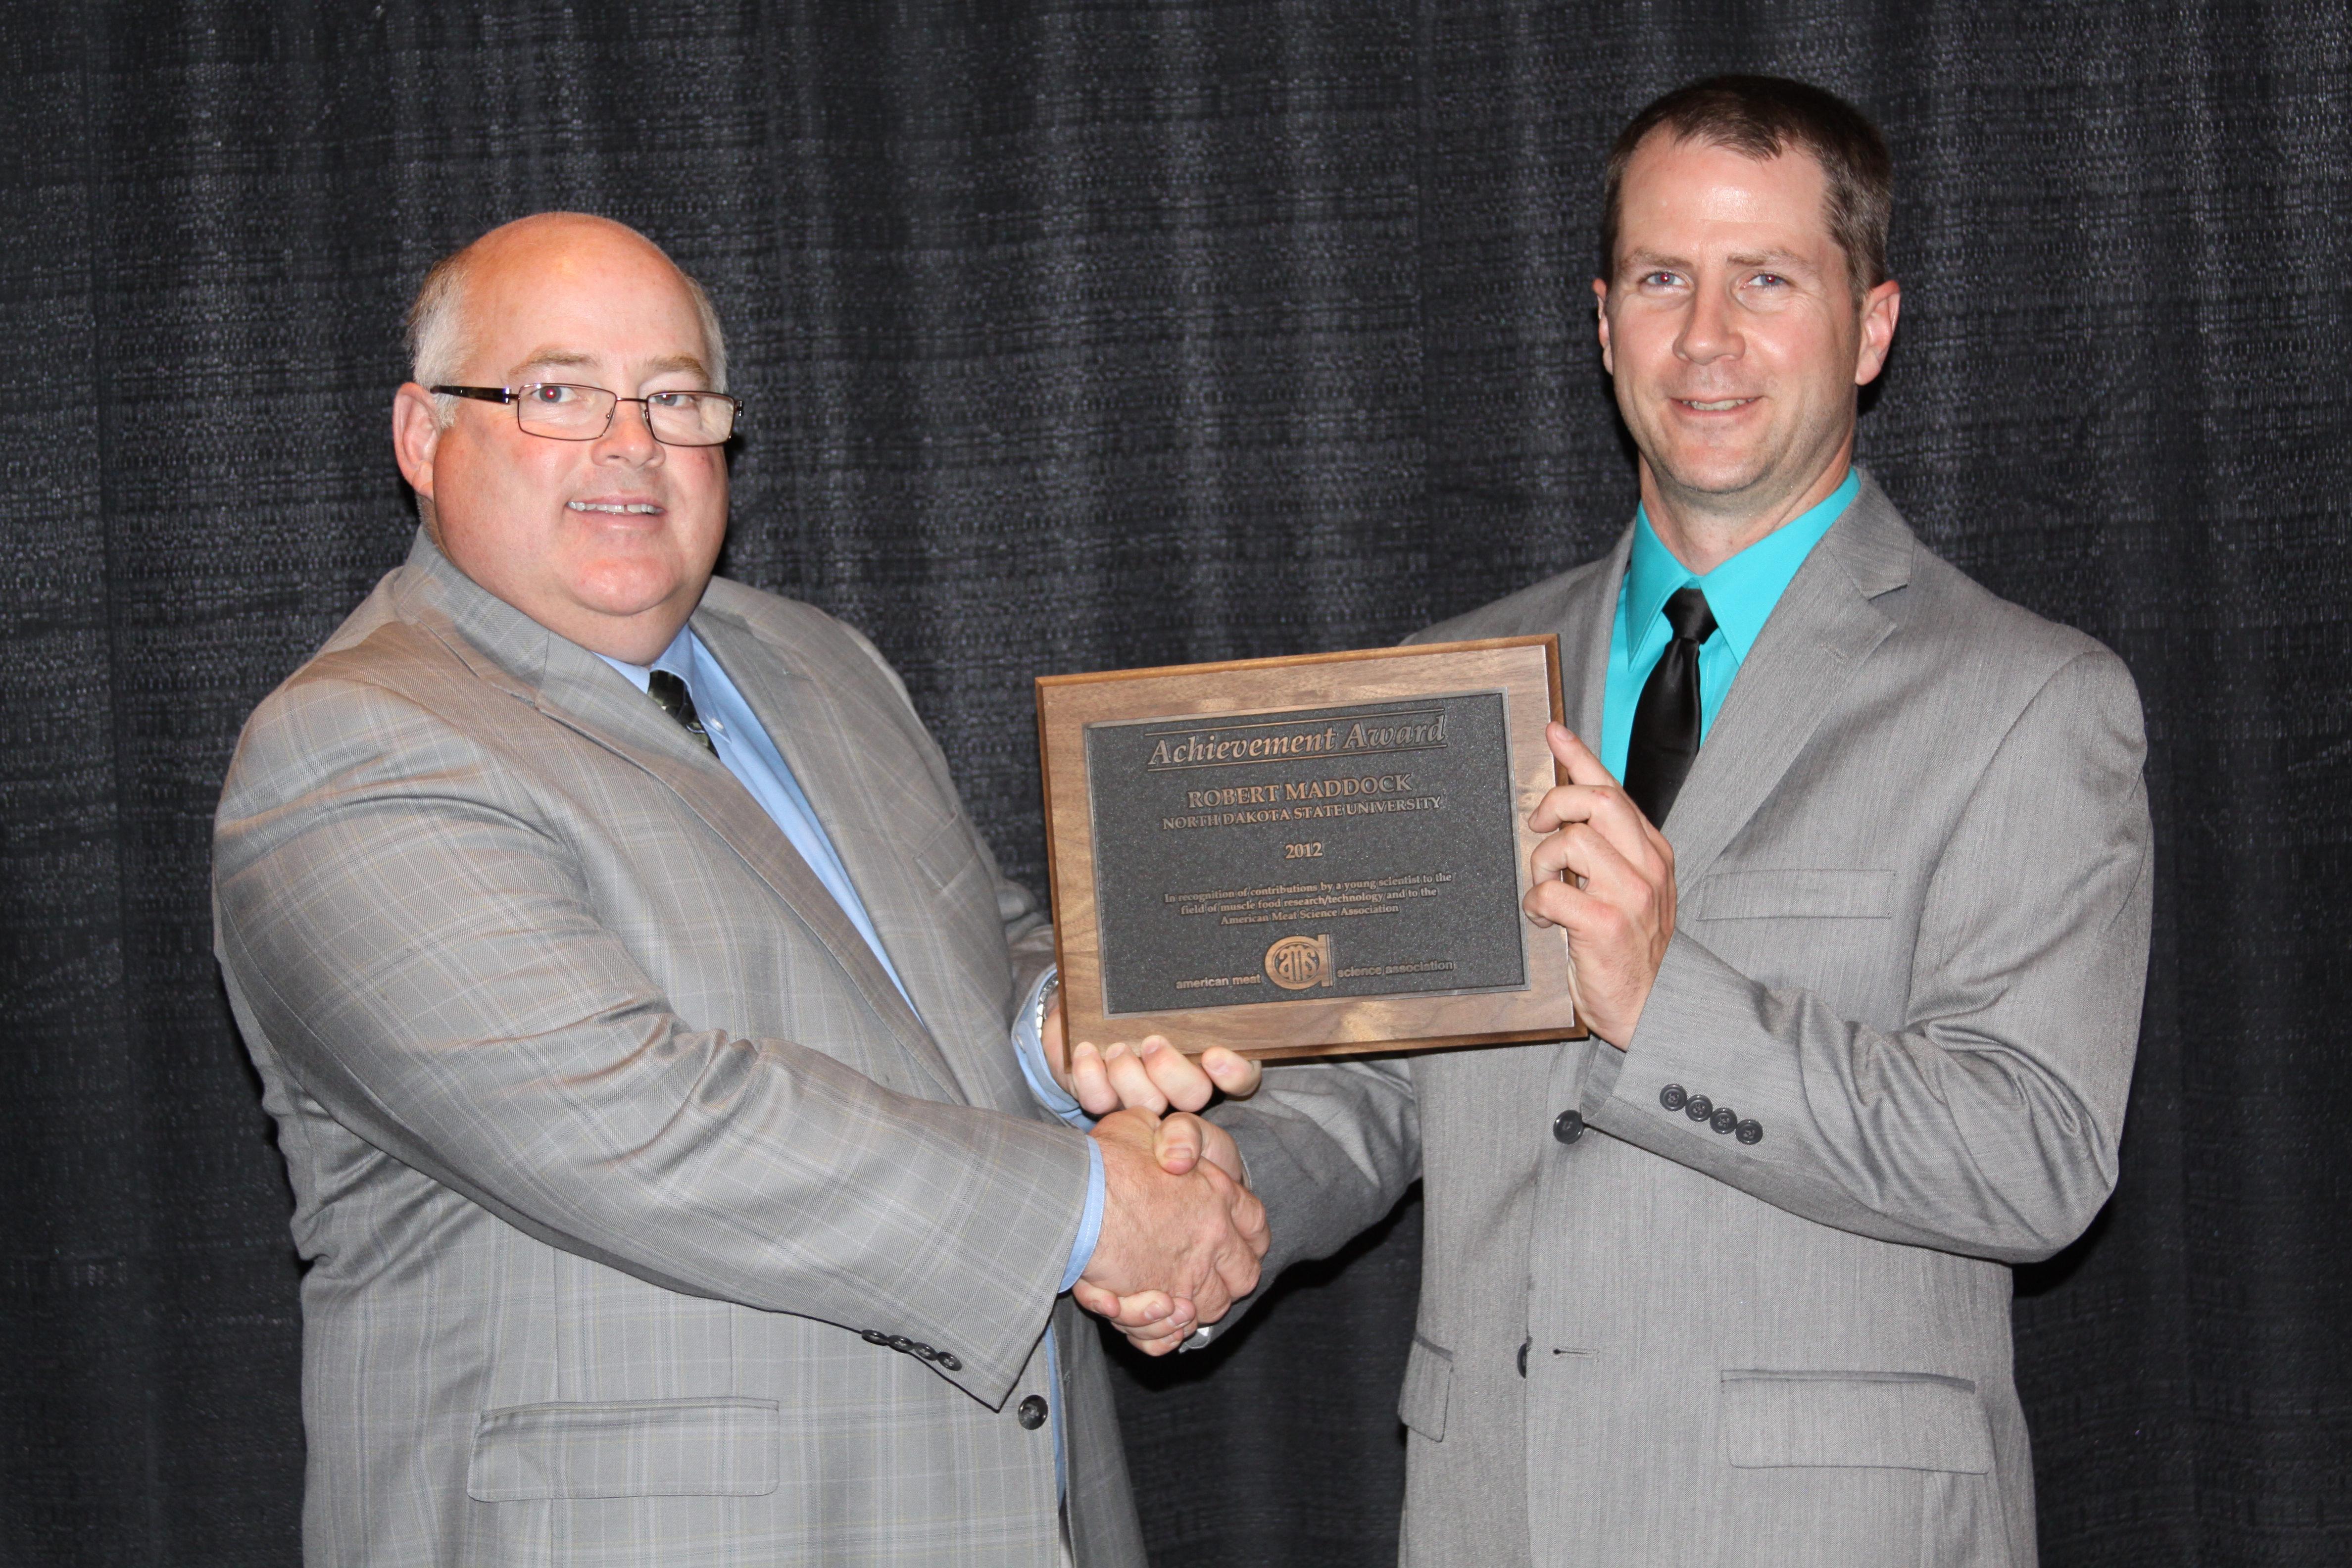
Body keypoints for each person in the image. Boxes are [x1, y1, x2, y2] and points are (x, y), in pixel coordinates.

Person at [1063, 77, 2152, 1568]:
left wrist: (1666, 1005)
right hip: (1489, 1516)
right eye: (1662, 280)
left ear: (1875, 326)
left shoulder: (2029, 702)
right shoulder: (1451, 690)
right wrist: (1221, 1207)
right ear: (1602, 322)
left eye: (1767, 280)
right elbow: (1389, 1088)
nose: (1707, 339)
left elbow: (2035, 1156)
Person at [212, 212, 1267, 1568]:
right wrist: (1090, 1211)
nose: (630, 444)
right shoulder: (351, 746)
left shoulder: (817, 663)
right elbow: (639, 1123)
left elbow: (974, 946)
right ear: (424, 438)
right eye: (558, 393)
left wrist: (1061, 1032)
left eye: (674, 398)